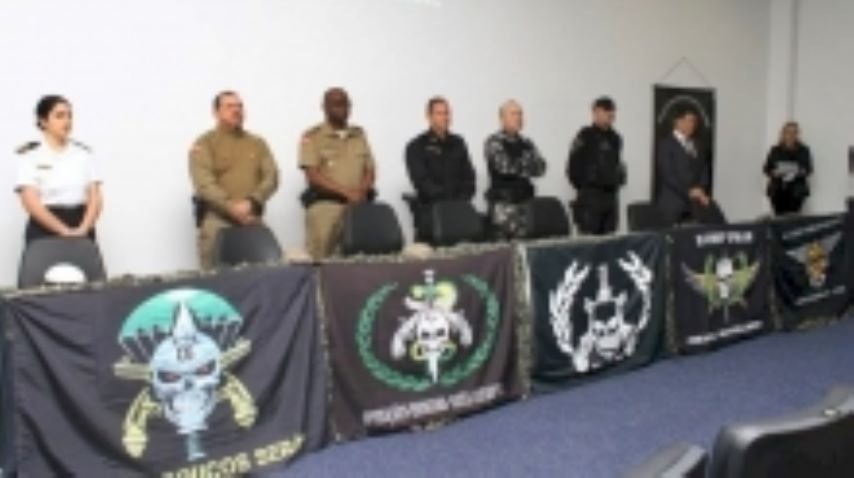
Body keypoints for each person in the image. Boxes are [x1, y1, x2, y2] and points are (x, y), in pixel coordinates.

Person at [189, 91, 279, 269]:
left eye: (240, 106)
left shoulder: (257, 143)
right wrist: (232, 208)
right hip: (218, 221)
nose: (236, 110)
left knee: (266, 276)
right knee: (215, 280)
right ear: (216, 112)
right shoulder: (204, 143)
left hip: (252, 218)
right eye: (229, 106)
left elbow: (272, 177)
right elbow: (204, 184)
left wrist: (252, 201)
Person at [14, 95, 103, 245]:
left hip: (81, 224)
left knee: (84, 261)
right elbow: (30, 201)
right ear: (43, 121)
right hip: (44, 226)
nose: (67, 121)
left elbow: (95, 197)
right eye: (60, 116)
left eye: (69, 115)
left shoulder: (83, 154)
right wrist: (63, 231)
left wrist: (84, 228)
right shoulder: (30, 155)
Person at [299, 88, 376, 260]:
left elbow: (370, 169)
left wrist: (361, 192)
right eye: (335, 104)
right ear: (324, 107)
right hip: (327, 206)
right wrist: (347, 193)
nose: (341, 108)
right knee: (321, 262)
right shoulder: (313, 136)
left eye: (345, 104)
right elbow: (313, 176)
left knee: (364, 259)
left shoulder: (359, 135)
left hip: (359, 205)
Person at [404, 97, 476, 242]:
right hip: (432, 211)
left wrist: (460, 201)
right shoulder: (416, 147)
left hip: (459, 208)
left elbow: (469, 177)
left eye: (447, 113)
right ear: (429, 117)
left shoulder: (458, 143)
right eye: (439, 113)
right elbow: (422, 182)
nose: (445, 117)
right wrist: (447, 202)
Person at [484, 100, 546, 239]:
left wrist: (518, 165)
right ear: (502, 118)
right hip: (503, 209)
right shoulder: (494, 142)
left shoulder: (526, 143)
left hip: (526, 206)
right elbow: (505, 168)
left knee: (526, 248)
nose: (518, 117)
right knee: (504, 250)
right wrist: (526, 164)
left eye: (520, 114)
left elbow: (541, 168)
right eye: (513, 114)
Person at [567, 97, 626, 235]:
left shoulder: (615, 138)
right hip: (591, 197)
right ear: (596, 113)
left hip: (610, 197)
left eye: (612, 110)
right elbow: (572, 166)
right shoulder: (585, 135)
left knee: (610, 240)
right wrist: (585, 188)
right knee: (590, 241)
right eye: (606, 110)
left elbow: (616, 164)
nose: (610, 114)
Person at [654, 107, 717, 226]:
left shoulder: (698, 144)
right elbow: (668, 175)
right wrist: (689, 192)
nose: (692, 124)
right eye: (689, 120)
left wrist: (701, 189)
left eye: (694, 121)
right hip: (672, 204)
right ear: (678, 121)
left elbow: (704, 169)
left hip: (696, 204)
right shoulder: (666, 144)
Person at [764, 121, 813, 215]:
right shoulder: (775, 150)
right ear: (783, 134)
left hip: (796, 191)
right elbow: (766, 169)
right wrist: (774, 172)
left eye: (794, 132)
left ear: (797, 134)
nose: (791, 135)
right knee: (778, 218)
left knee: (793, 218)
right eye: (788, 132)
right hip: (777, 190)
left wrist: (798, 172)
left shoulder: (804, 150)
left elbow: (809, 169)